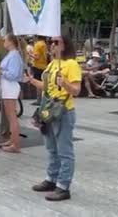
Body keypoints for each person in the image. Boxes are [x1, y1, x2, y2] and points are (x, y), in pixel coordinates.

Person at [25, 35, 82, 201]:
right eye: (51, 42)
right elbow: (47, 86)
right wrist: (32, 81)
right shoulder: (51, 64)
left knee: (64, 150)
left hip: (63, 111)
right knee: (51, 148)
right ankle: (51, 178)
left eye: (56, 42)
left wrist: (65, 84)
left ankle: (63, 186)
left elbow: (76, 90)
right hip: (48, 109)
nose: (52, 45)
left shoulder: (71, 64)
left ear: (64, 46)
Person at [0, 34, 24, 153]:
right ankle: (12, 140)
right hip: (7, 87)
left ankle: (15, 144)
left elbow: (13, 74)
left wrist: (0, 71)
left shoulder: (15, 56)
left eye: (5, 40)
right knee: (10, 116)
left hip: (11, 87)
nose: (3, 42)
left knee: (12, 117)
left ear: (11, 42)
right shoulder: (12, 55)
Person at [31, 35, 48, 105]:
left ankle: (39, 100)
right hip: (44, 66)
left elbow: (37, 57)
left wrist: (30, 54)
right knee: (43, 83)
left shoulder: (37, 45)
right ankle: (43, 99)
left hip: (37, 66)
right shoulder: (44, 44)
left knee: (38, 84)